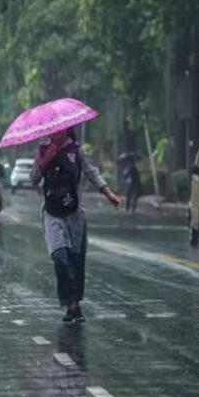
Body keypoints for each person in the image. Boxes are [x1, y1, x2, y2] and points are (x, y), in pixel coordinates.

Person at [31, 129, 121, 323]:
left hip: (74, 214)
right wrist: (45, 160)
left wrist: (108, 194)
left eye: (59, 130)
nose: (55, 133)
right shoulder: (42, 151)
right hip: (52, 213)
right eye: (52, 131)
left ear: (65, 129)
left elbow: (92, 173)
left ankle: (75, 304)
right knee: (60, 258)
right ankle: (68, 301)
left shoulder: (77, 151)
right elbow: (34, 178)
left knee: (76, 260)